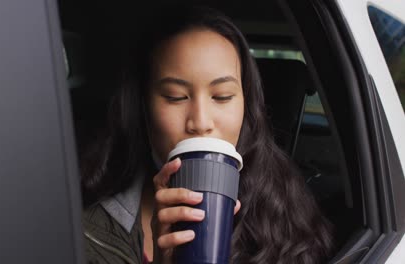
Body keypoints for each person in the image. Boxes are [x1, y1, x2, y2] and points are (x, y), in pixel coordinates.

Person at [80, 4, 334, 264]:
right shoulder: (88, 235)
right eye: (175, 97)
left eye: (222, 97)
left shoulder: (284, 216)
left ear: (246, 107)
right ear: (143, 108)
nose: (200, 122)